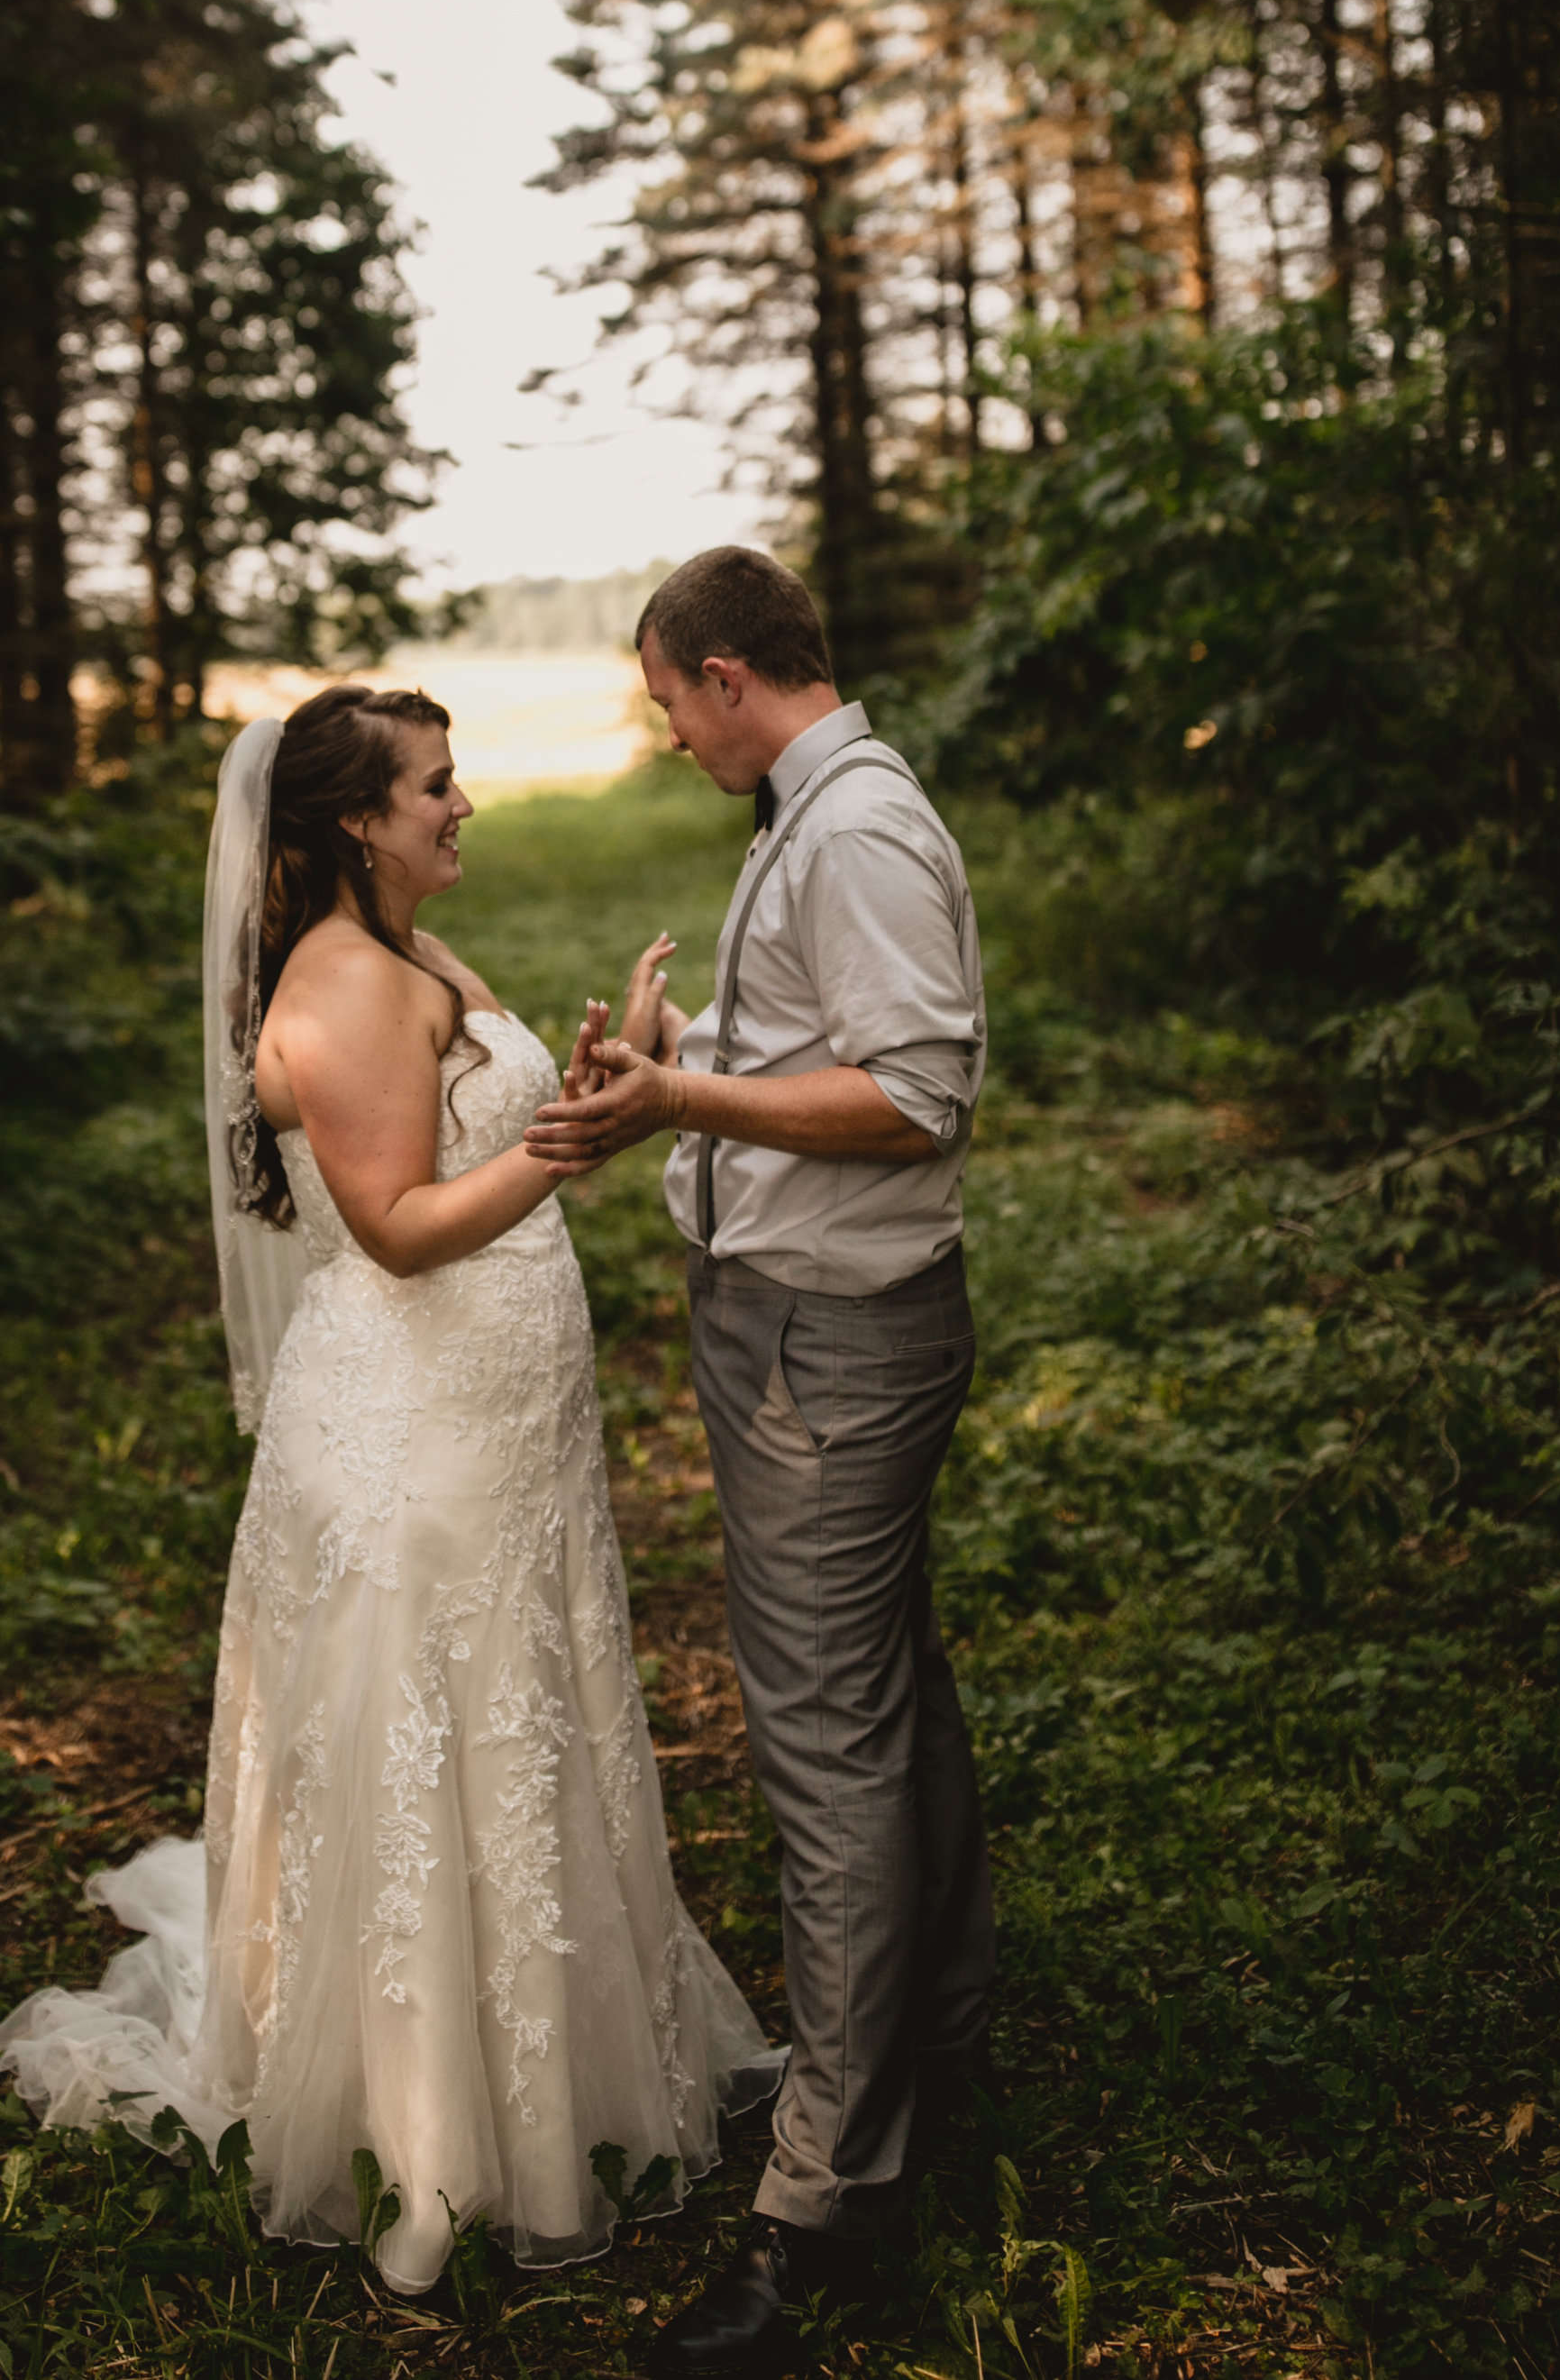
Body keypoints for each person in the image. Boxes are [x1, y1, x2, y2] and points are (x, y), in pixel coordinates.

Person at [0, 682, 777, 2298]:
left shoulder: (417, 956)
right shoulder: (344, 982)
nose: (462, 803)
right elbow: (405, 1223)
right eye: (436, 785)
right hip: (414, 1431)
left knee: (521, 1708)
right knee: (439, 1719)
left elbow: (495, 1133)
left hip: (499, 1418)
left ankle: (550, 2050)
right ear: (357, 818)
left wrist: (599, 1079)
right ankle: (433, 2120)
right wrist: (563, 1147)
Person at [525, 547, 995, 2378]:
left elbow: (912, 1095)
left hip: (826, 1343)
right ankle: (937, 2040)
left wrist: (677, 1101)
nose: (663, 735)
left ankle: (830, 2202)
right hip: (796, 1323)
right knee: (885, 1690)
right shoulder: (814, 814)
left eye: (664, 702)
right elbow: (822, 1042)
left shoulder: (856, 826)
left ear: (728, 675)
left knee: (822, 1741)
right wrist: (684, 1049)